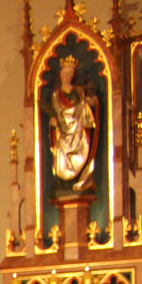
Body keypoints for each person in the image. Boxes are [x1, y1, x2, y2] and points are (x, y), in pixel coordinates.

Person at [46, 52, 98, 191]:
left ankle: (81, 179)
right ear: (60, 75)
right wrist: (53, 123)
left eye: (70, 74)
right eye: (65, 73)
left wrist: (91, 104)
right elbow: (55, 113)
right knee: (60, 155)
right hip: (63, 133)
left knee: (84, 144)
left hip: (78, 131)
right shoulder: (56, 95)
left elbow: (83, 107)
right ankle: (62, 182)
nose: (67, 76)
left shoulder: (79, 92)